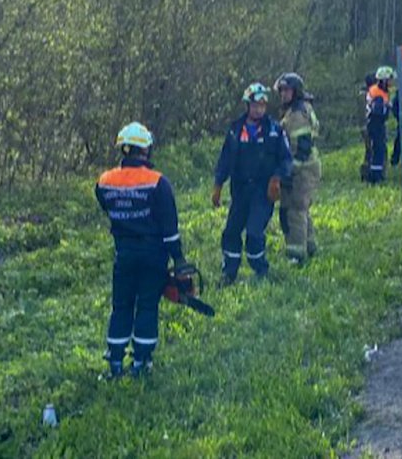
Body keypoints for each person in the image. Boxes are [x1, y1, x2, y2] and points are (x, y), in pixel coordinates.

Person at [95, 122, 195, 379]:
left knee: (121, 306)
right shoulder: (158, 182)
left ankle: (115, 362)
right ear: (146, 150)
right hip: (153, 255)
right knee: (148, 306)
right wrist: (179, 259)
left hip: (124, 254)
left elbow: (108, 208)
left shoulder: (105, 181)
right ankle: (141, 361)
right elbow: (169, 228)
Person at [212, 83, 292, 284]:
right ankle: (229, 273)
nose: (259, 109)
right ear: (247, 105)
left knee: (255, 232)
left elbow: (286, 159)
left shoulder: (274, 130)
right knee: (231, 231)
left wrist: (277, 178)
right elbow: (225, 159)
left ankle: (261, 271)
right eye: (255, 105)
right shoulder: (235, 130)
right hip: (240, 191)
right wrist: (218, 184)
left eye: (262, 106)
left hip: (263, 191)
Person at [273, 72, 321, 265]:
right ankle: (310, 246)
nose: (283, 94)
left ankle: (297, 255)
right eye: (281, 90)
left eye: (287, 90)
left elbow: (302, 147)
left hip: (302, 169)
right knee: (302, 210)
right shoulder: (298, 109)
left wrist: (289, 172)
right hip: (306, 167)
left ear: (296, 91)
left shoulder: (297, 115)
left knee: (295, 210)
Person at [365, 66, 395, 184]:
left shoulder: (378, 91)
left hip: (375, 124)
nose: (391, 82)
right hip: (376, 124)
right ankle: (376, 177)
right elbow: (378, 112)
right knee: (379, 149)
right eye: (389, 79)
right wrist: (387, 107)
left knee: (379, 149)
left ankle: (376, 174)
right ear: (383, 80)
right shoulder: (378, 94)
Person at [360, 73, 377, 181]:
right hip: (368, 125)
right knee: (371, 150)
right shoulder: (369, 95)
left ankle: (366, 172)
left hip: (364, 125)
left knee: (369, 150)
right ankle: (368, 174)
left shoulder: (362, 94)